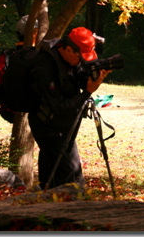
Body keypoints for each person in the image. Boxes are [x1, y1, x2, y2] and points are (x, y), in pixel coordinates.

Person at [27, 26, 111, 191]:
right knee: (71, 181)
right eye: (80, 58)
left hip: (61, 125)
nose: (81, 62)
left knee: (51, 178)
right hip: (47, 125)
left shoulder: (69, 60)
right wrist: (87, 92)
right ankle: (70, 208)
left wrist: (91, 78)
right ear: (67, 49)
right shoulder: (44, 68)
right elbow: (59, 107)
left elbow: (78, 77)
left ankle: (46, 206)